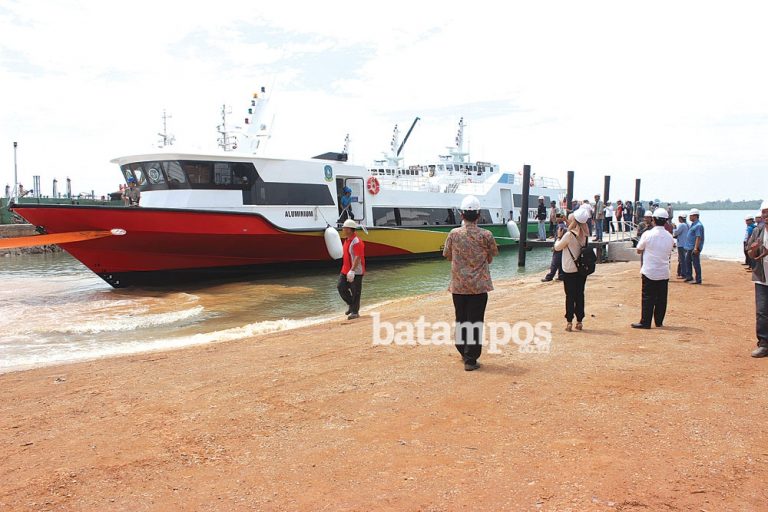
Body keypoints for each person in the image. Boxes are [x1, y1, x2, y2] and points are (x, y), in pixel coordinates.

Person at [443, 195, 499, 371]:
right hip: (479, 287)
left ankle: (463, 351)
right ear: (479, 215)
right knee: (475, 321)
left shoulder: (454, 234)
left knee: (461, 319)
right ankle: (470, 359)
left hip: (458, 286)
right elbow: (492, 255)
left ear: (462, 215)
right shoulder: (486, 235)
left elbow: (447, 255)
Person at [632, 208, 675, 329]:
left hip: (649, 270)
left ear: (653, 220)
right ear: (666, 221)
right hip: (663, 271)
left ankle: (645, 322)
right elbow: (670, 250)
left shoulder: (647, 234)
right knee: (661, 298)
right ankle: (659, 321)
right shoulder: (669, 236)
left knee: (647, 297)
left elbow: (639, 250)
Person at [554, 206, 591, 332]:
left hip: (569, 269)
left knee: (570, 296)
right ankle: (579, 321)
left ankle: (569, 321)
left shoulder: (569, 235)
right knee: (580, 295)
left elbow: (557, 247)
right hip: (581, 270)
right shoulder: (585, 234)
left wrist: (559, 237)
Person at [746, 200, 768, 357]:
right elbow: (750, 254)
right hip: (762, 277)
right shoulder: (757, 231)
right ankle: (764, 344)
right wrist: (753, 250)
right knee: (761, 312)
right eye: (764, 212)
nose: (766, 215)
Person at [337, 219, 366, 320]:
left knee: (355, 291)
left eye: (344, 228)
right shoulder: (346, 240)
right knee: (340, 287)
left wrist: (352, 270)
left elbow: (358, 257)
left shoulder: (357, 241)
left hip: (356, 271)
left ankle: (355, 312)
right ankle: (351, 304)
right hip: (345, 270)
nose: (343, 229)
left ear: (349, 229)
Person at [542, 213, 567, 282]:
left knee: (554, 262)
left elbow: (557, 237)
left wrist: (554, 246)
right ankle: (561, 276)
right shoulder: (565, 225)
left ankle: (549, 277)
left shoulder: (559, 226)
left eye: (557, 217)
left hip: (559, 245)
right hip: (563, 246)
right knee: (561, 262)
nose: (556, 219)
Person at [683, 208, 705, 284]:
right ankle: (689, 277)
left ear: (695, 216)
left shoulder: (698, 225)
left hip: (694, 247)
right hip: (690, 247)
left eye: (691, 216)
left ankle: (698, 279)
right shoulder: (693, 224)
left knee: (696, 263)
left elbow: (698, 237)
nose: (689, 217)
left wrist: (696, 248)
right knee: (687, 261)